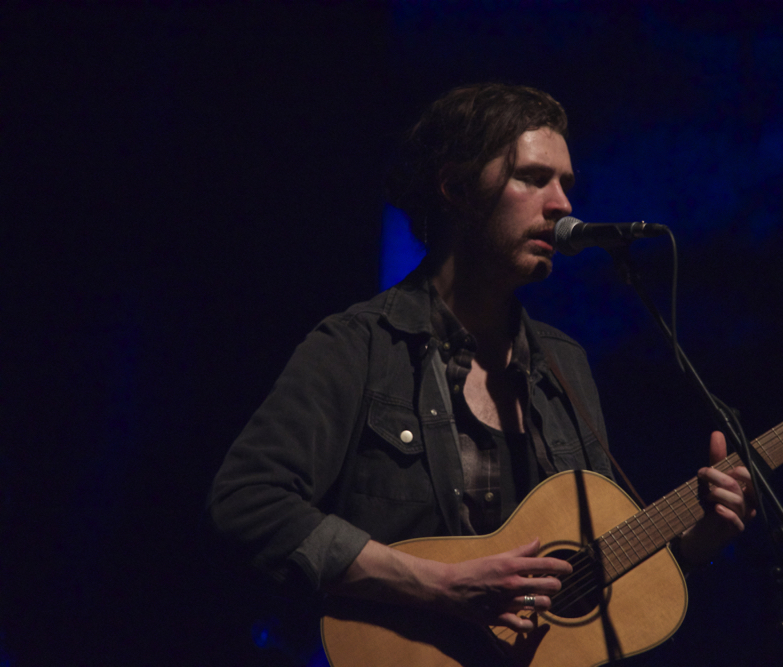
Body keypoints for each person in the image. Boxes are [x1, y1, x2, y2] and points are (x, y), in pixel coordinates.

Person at [208, 83, 753, 642]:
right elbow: (247, 503)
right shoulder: (358, 346)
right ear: (457, 189)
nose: (563, 204)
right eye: (532, 178)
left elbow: (592, 578)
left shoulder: (564, 365)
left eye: (565, 184)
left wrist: (695, 542)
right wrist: (439, 586)